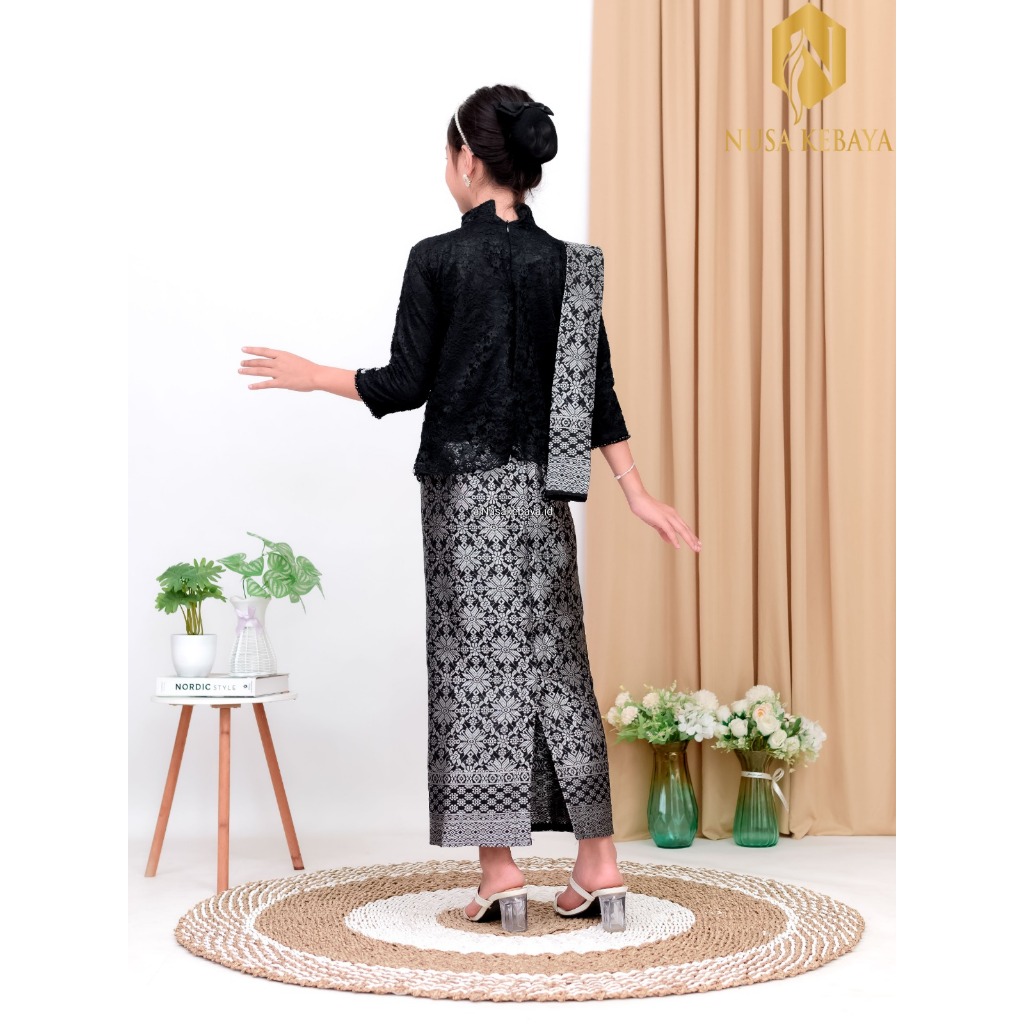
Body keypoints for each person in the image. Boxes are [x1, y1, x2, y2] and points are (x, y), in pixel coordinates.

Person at [237, 84, 701, 932]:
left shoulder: (438, 258)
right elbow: (593, 393)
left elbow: (401, 384)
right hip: (544, 496)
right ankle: (599, 864)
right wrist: (636, 491)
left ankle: (501, 873)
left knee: (475, 671)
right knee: (558, 665)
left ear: (466, 159)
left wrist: (313, 375)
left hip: (463, 495)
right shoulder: (574, 266)